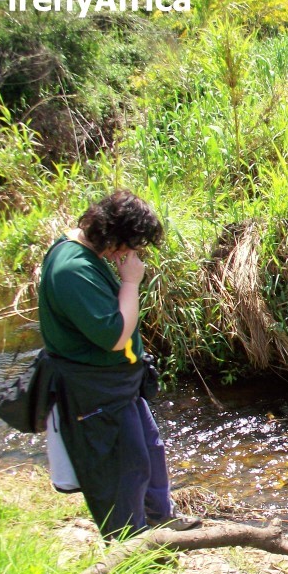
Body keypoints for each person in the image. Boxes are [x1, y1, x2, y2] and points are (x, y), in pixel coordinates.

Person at [38, 189, 200, 539]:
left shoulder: (85, 254)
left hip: (118, 385)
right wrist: (130, 282)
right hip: (95, 392)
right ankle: (132, 548)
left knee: (149, 451)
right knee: (123, 470)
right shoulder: (72, 269)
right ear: (111, 235)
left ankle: (161, 519)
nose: (130, 253)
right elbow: (114, 336)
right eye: (130, 245)